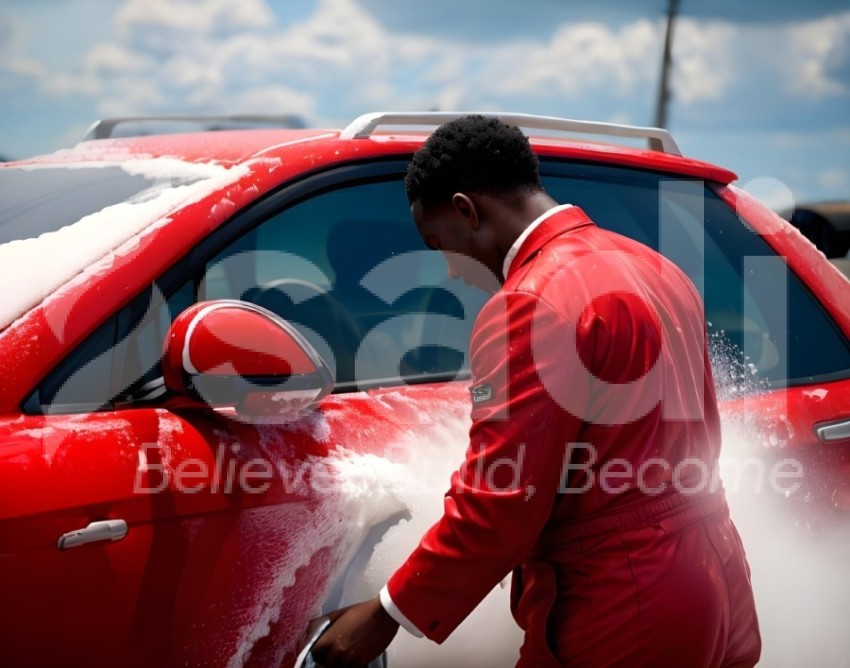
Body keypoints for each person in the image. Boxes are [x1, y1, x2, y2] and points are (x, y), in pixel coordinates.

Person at [310, 115, 761, 667]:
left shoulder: (530, 302)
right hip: (716, 578)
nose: (450, 273)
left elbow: (501, 499)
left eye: (439, 245)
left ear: (466, 210)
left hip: (623, 598)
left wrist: (385, 614)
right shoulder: (653, 265)